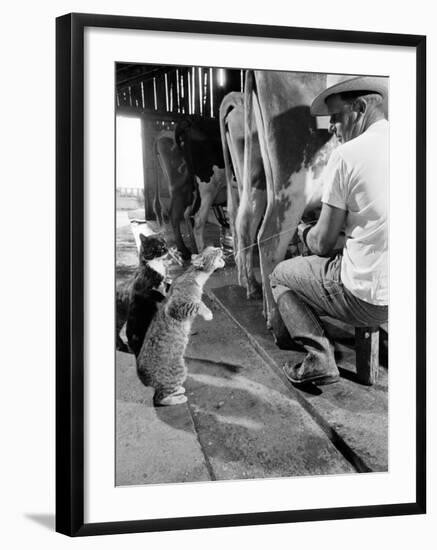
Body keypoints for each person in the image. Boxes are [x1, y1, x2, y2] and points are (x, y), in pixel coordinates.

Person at [269, 76, 389, 385]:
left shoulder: (346, 155)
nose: (331, 127)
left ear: (360, 107)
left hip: (368, 299)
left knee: (281, 275)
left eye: (336, 117)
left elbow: (322, 244)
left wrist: (305, 233)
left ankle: (318, 356)